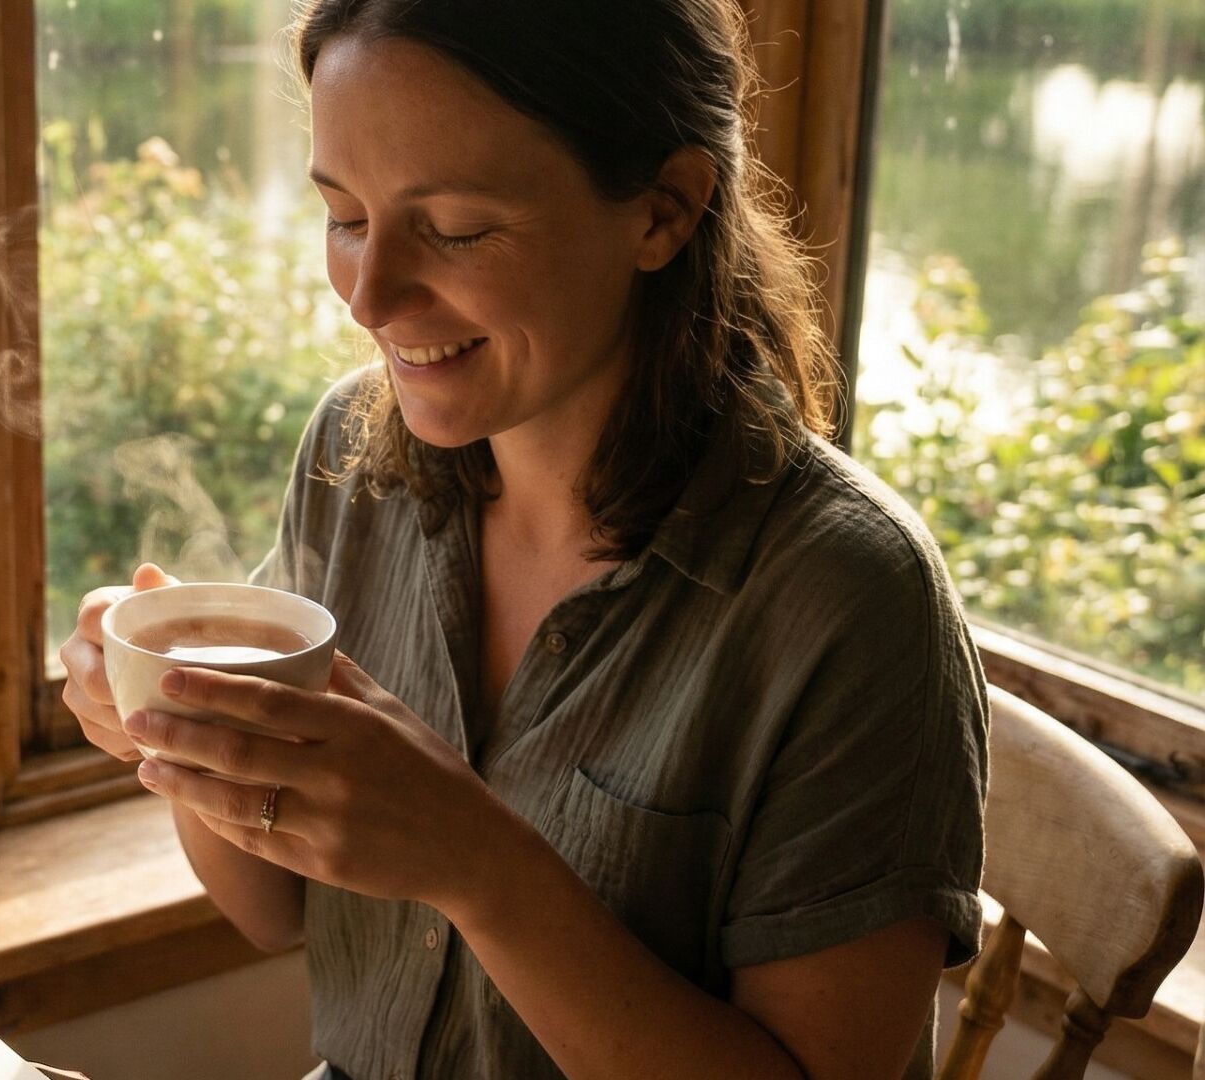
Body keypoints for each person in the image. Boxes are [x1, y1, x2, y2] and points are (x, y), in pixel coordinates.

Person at [59, 1, 988, 1076]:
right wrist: (173, 730)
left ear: (664, 211)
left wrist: (479, 864)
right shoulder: (352, 463)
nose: (369, 299)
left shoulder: (848, 601)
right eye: (346, 218)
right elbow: (272, 909)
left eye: (454, 229)